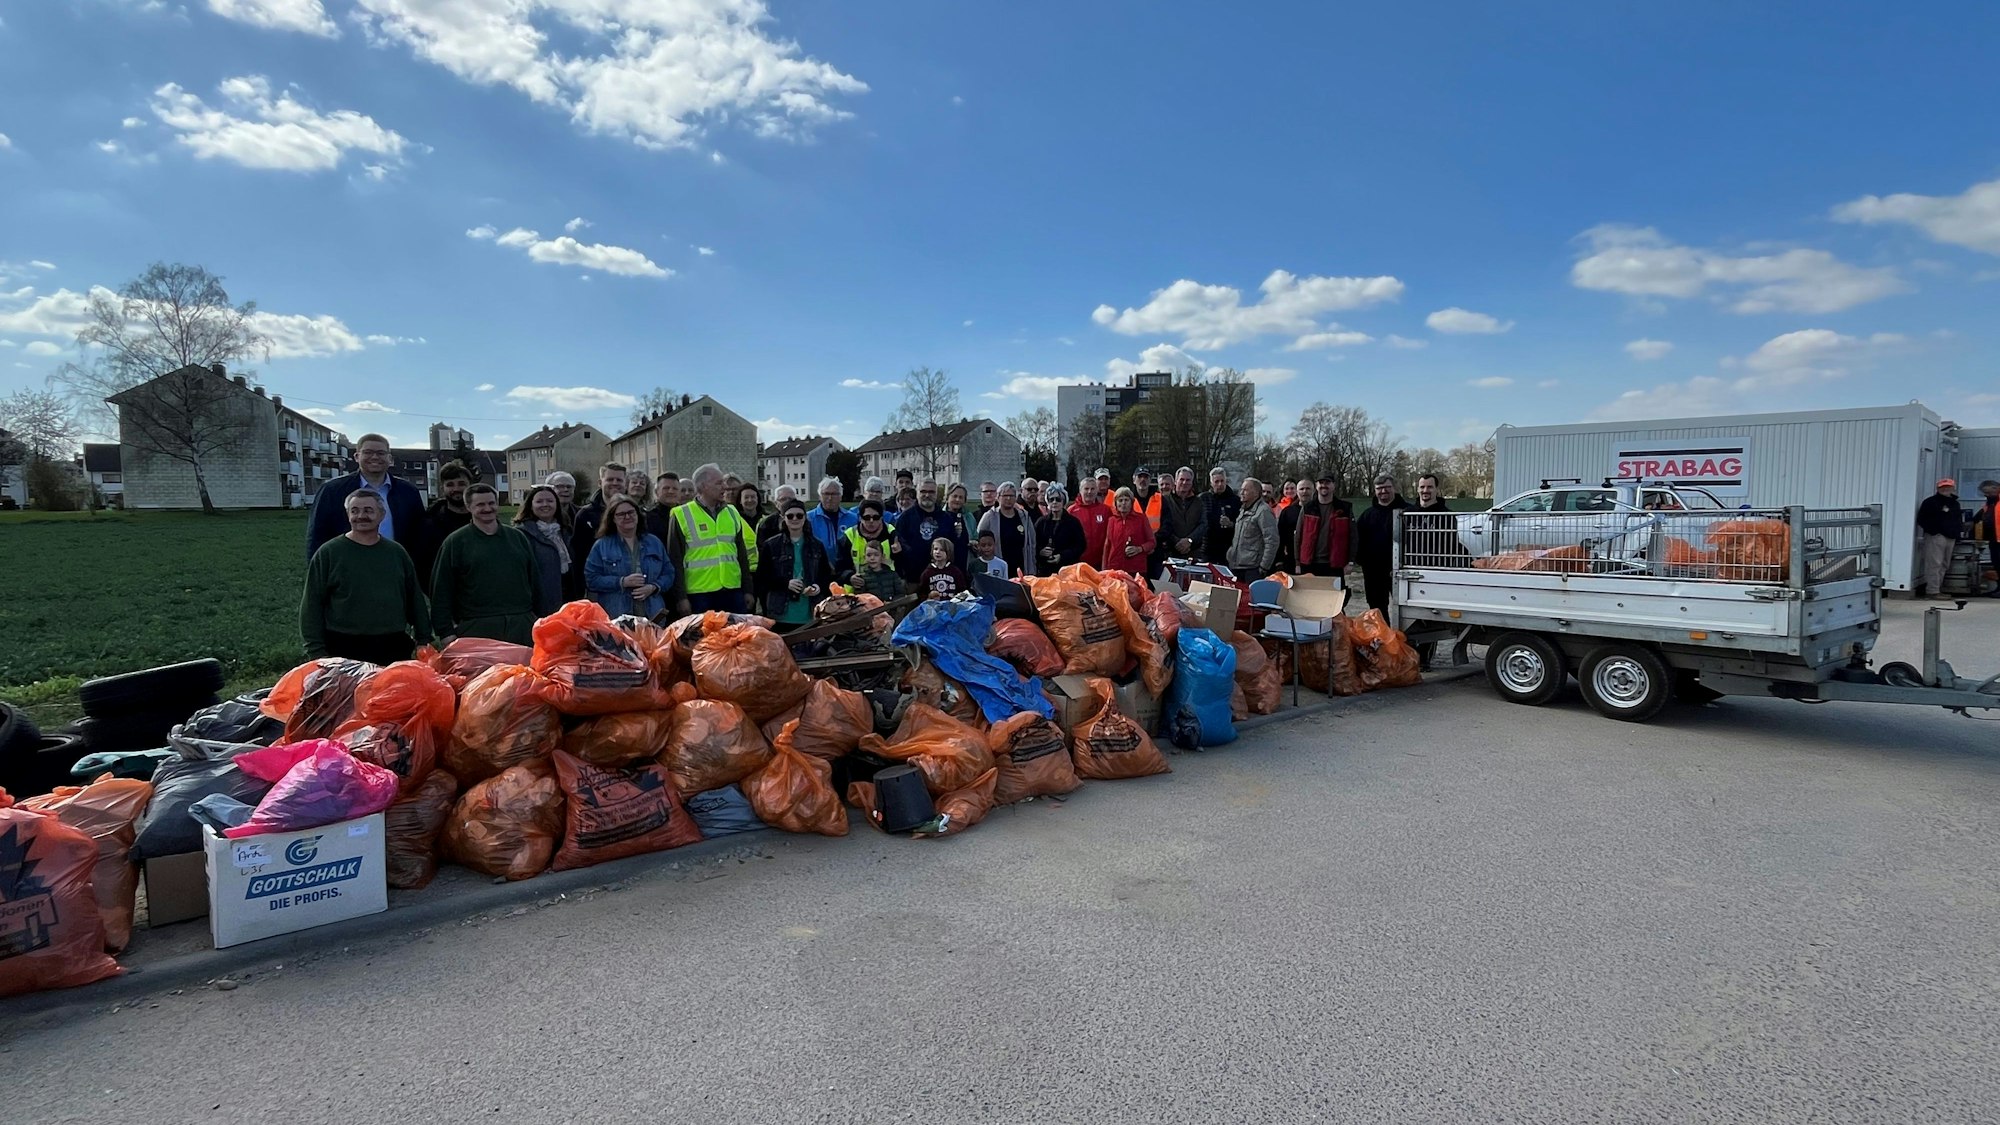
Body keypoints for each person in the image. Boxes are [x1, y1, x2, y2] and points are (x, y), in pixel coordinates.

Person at [300, 489, 432, 663]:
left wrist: (423, 639)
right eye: (354, 511)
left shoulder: (396, 553)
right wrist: (316, 652)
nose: (361, 516)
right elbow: (312, 604)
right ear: (347, 515)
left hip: (392, 644)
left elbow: (414, 598)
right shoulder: (329, 553)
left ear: (381, 515)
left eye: (368, 510)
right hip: (343, 646)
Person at [430, 483, 547, 645]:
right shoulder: (455, 542)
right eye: (480, 504)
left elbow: (535, 583)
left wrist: (542, 622)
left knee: (525, 671)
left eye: (491, 503)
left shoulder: (518, 538)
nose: (487, 508)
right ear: (468, 507)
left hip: (521, 626)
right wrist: (445, 633)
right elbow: (441, 590)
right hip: (476, 629)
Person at [306, 432, 426, 561]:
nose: (374, 457)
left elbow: (420, 535)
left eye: (381, 453)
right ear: (357, 457)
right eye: (368, 452)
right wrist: (318, 572)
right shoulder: (332, 491)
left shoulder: (408, 492)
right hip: (348, 566)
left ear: (390, 459)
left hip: (396, 566)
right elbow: (317, 535)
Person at [666, 463, 755, 616]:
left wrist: (747, 590)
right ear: (703, 486)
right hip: (699, 594)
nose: (724, 487)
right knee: (704, 640)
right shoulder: (681, 514)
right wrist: (680, 597)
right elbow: (675, 560)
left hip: (732, 591)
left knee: (735, 638)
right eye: (719, 483)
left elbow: (741, 556)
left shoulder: (732, 512)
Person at [586, 497, 674, 619]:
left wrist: (653, 587)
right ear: (613, 519)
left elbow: (669, 573)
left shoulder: (654, 542)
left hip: (653, 616)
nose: (627, 517)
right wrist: (622, 582)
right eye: (621, 514)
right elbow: (591, 579)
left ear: (638, 515)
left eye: (631, 512)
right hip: (617, 618)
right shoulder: (602, 546)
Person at [756, 499, 834, 629]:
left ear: (805, 517)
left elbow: (826, 575)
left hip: (811, 612)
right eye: (790, 516)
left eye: (799, 515)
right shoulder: (771, 545)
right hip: (780, 613)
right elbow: (762, 577)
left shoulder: (817, 545)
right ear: (783, 518)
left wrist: (817, 587)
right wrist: (786, 583)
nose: (795, 519)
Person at [513, 484, 577, 609]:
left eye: (550, 501)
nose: (545, 504)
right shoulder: (522, 534)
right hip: (540, 603)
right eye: (539, 501)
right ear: (530, 505)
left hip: (568, 599)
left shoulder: (566, 531)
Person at [892, 478, 964, 588]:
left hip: (942, 580)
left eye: (931, 492)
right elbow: (898, 550)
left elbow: (954, 550)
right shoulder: (905, 518)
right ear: (917, 493)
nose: (927, 495)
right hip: (913, 580)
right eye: (923, 491)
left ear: (936, 494)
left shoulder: (947, 519)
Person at [1355, 473, 1411, 613]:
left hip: (1402, 569)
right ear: (1375, 490)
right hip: (1374, 571)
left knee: (1406, 607)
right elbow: (1357, 540)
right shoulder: (1368, 515)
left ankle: (1405, 635)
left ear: (1394, 488)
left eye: (1387, 487)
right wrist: (1363, 562)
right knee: (1377, 607)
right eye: (1379, 488)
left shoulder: (1409, 512)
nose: (1383, 491)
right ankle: (1383, 634)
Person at [416, 460, 475, 589]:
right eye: (450, 485)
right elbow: (423, 565)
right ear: (443, 489)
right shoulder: (430, 524)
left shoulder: (482, 520)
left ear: (470, 486)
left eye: (461, 484)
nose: (456, 489)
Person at [1403, 472, 1470, 569]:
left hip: (1436, 570)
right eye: (1422, 487)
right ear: (1418, 489)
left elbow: (1452, 545)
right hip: (1412, 569)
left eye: (1430, 487)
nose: (1425, 490)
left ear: (1437, 490)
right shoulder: (1407, 514)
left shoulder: (1447, 516)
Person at [569, 462, 628, 568]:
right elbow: (578, 556)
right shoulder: (585, 515)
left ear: (626, 484)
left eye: (619, 480)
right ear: (600, 483)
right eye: (610, 479)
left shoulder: (636, 514)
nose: (615, 483)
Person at [1294, 476, 1354, 580]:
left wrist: (1350, 561)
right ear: (1316, 486)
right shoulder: (1307, 508)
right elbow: (1298, 536)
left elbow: (1353, 536)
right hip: (1309, 563)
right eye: (1321, 482)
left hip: (1335, 564)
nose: (1324, 485)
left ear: (1333, 485)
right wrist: (1297, 562)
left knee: (1335, 595)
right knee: (1311, 595)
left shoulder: (1345, 508)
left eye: (1328, 482)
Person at [977, 482, 1038, 577]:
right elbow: (979, 538)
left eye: (1012, 496)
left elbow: (1032, 542)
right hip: (998, 566)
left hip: (1021, 566)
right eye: (1005, 495)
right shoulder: (990, 516)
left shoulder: (1024, 516)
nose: (1008, 499)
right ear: (998, 497)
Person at [1917, 478, 1964, 600]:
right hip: (1936, 537)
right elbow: (1921, 519)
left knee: (1944, 564)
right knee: (1934, 564)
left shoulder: (1955, 503)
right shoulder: (1930, 502)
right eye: (1943, 487)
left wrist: (1957, 534)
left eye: (1948, 487)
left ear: (1953, 488)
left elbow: (1958, 520)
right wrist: (1934, 532)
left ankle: (1938, 589)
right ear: (1937, 488)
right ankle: (1932, 591)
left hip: (1951, 537)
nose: (1945, 489)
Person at [1226, 478, 1278, 580]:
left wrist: (1264, 566)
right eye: (1241, 490)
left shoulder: (1263, 511)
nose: (1241, 493)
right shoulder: (1243, 509)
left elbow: (1272, 540)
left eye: (1245, 490)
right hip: (1236, 565)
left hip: (1252, 568)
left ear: (1255, 493)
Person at [836, 499, 899, 583]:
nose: (871, 521)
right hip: (857, 589)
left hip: (886, 587)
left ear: (881, 518)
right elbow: (840, 568)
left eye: (876, 517)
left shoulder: (892, 533)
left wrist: (899, 553)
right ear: (860, 518)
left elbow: (902, 564)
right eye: (867, 517)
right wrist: (849, 577)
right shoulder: (849, 535)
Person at [1159, 467, 1207, 574]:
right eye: (1181, 479)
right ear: (1175, 481)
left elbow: (1203, 525)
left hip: (1193, 553)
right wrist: (1177, 542)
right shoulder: (1165, 500)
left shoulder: (1198, 501)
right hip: (1170, 553)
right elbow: (1163, 525)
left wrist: (1189, 540)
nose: (1184, 482)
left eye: (1188, 480)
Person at [1101, 486, 1156, 576]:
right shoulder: (1112, 520)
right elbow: (1107, 545)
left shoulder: (1141, 519)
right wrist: (1104, 569)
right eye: (1120, 500)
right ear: (1115, 503)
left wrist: (1139, 549)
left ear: (1132, 503)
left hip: (1136, 569)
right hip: (1115, 569)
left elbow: (1152, 542)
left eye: (1126, 500)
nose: (1123, 503)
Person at [1035, 484, 1088, 570]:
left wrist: (1062, 556)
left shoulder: (1073, 522)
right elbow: (1033, 543)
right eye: (1051, 499)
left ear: (1063, 501)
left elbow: (1081, 545)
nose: (1054, 502)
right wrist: (1040, 551)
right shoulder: (1041, 522)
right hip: (1045, 570)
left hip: (1067, 569)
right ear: (1047, 502)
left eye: (1058, 499)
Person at [807, 476, 858, 563]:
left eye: (834, 494)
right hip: (818, 570)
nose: (830, 498)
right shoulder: (808, 518)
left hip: (847, 570)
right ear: (820, 496)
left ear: (841, 497)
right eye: (826, 494)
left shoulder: (853, 519)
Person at [1069, 477, 1113, 574]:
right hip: (1078, 563)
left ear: (1097, 490)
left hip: (1100, 563)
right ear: (1080, 491)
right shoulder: (1071, 511)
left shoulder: (1105, 510)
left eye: (1092, 489)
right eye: (1086, 489)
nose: (1089, 492)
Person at [1201, 466, 1241, 565]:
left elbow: (1242, 524)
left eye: (1222, 481)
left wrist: (1231, 524)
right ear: (1211, 483)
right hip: (1206, 548)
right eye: (1216, 482)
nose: (1220, 484)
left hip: (1227, 549)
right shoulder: (1203, 499)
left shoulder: (1235, 500)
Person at [1978, 480, 2000, 598]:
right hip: (1994, 539)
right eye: (1984, 493)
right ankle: (1998, 588)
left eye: (1987, 492)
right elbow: (1983, 515)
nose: (1986, 495)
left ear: (1996, 488)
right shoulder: (1990, 503)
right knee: (1996, 564)